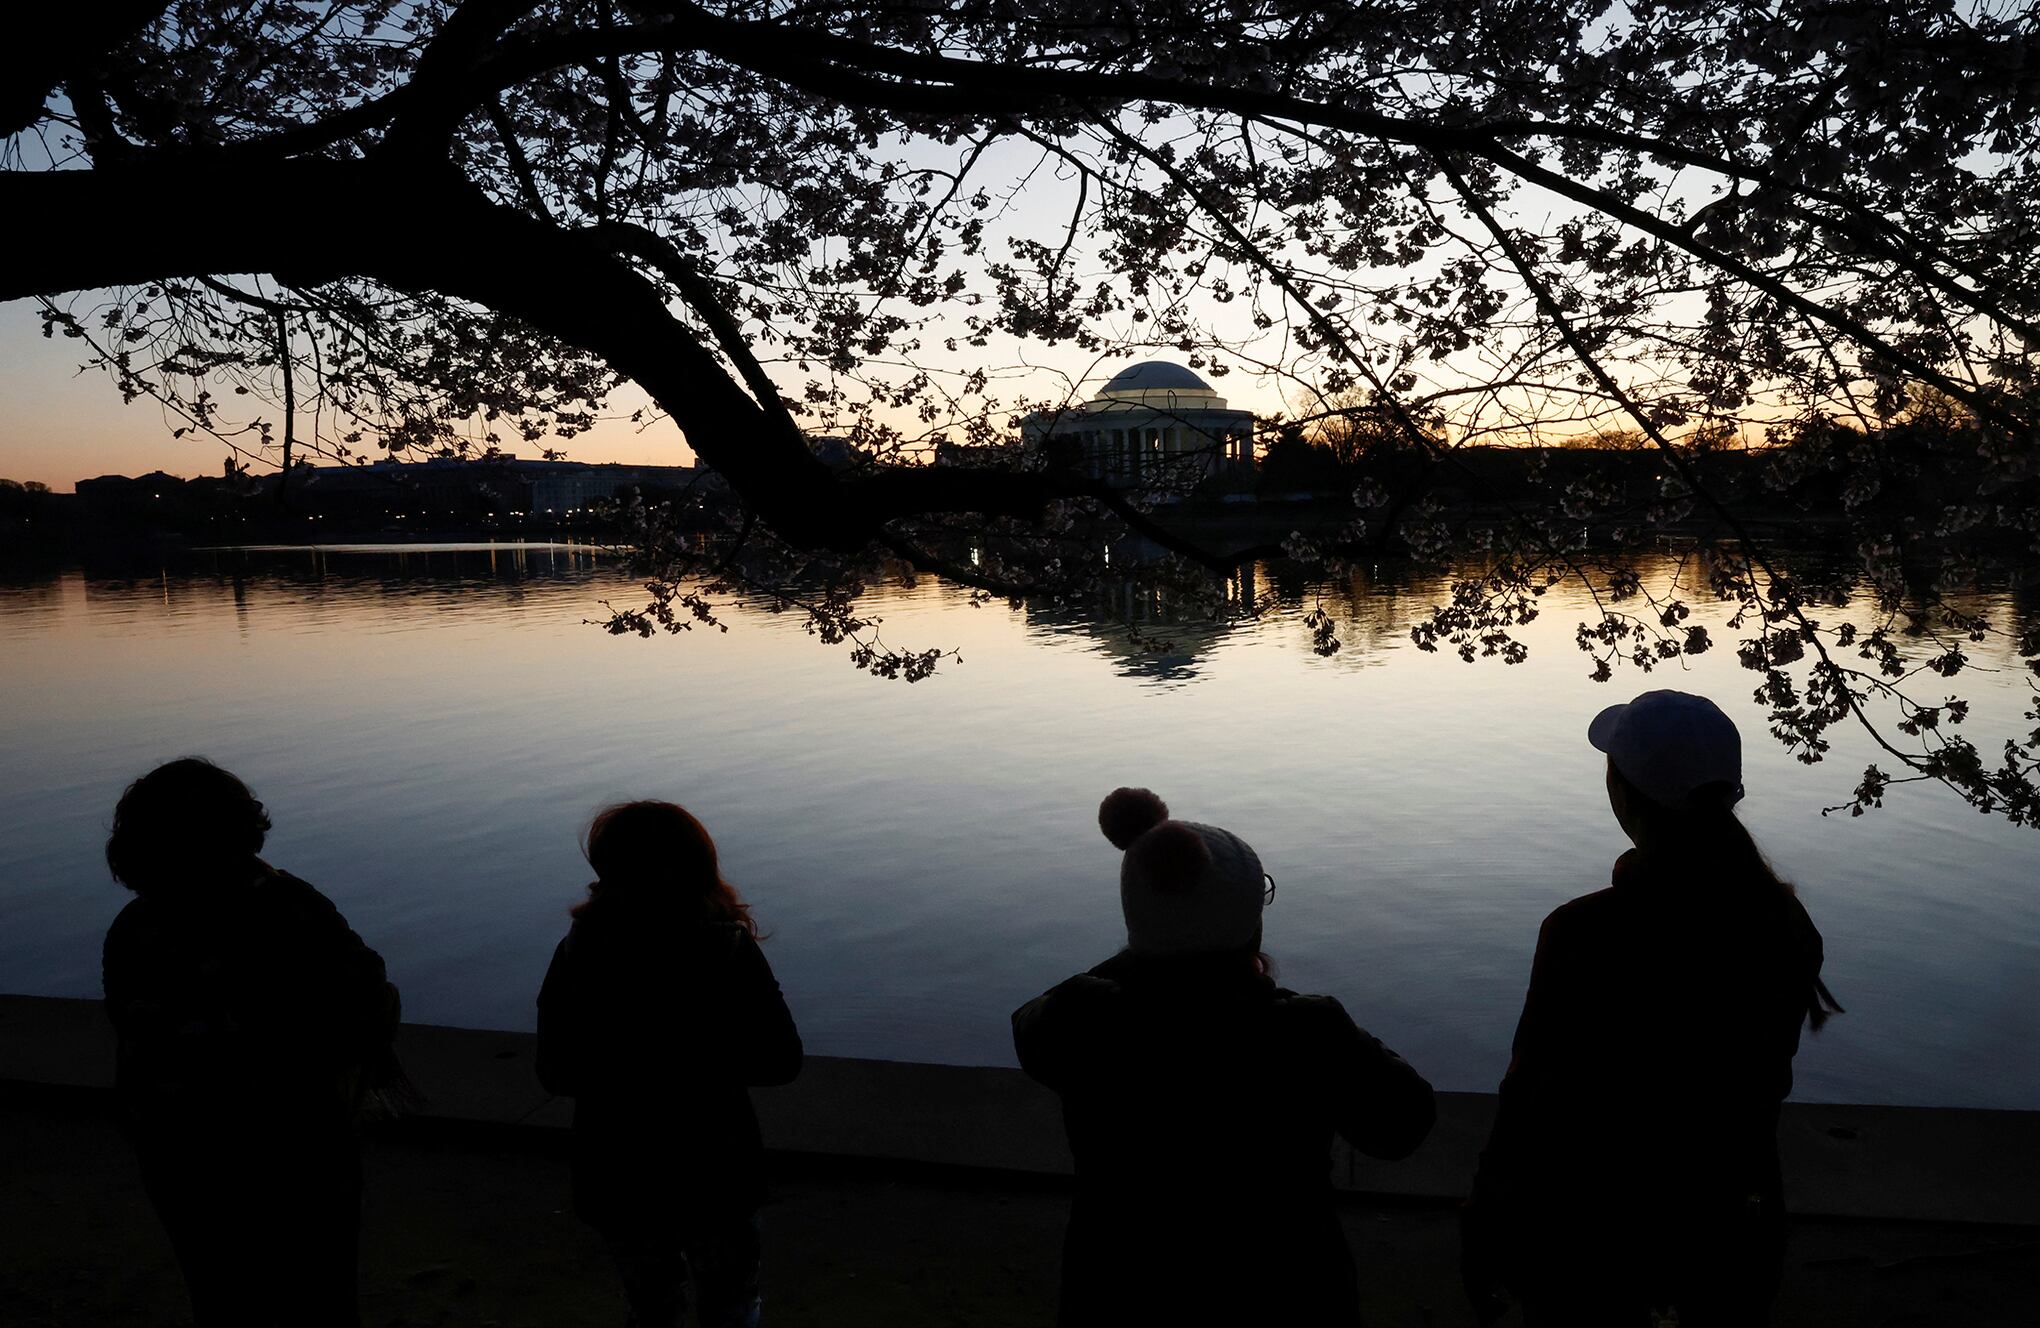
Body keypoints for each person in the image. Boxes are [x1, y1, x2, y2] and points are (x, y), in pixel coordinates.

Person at [1463, 690, 1844, 1327]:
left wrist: (1485, 1218)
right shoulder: (1783, 922)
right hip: (1736, 1225)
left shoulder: (1583, 934)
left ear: (1626, 792)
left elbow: (1530, 1102)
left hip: (1598, 1234)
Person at [1013, 788, 1436, 1327]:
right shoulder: (1305, 1030)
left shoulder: (1083, 1019)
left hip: (1117, 1293)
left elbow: (1031, 1030)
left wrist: (1143, 954)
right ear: (1248, 921)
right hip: (1286, 1294)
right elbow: (1405, 1123)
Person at [101, 757, 400, 1326]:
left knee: (218, 1289)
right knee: (318, 1292)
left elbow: (130, 1026)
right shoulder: (291, 907)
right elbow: (364, 996)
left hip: (177, 1146)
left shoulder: (135, 927)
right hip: (294, 1145)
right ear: (244, 828)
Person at [537, 801, 803, 1328]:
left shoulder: (577, 953)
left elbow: (555, 1073)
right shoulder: (727, 950)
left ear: (605, 868)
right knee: (729, 1302)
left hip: (614, 1166)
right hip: (716, 1165)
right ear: (699, 862)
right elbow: (782, 1060)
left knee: (653, 1307)